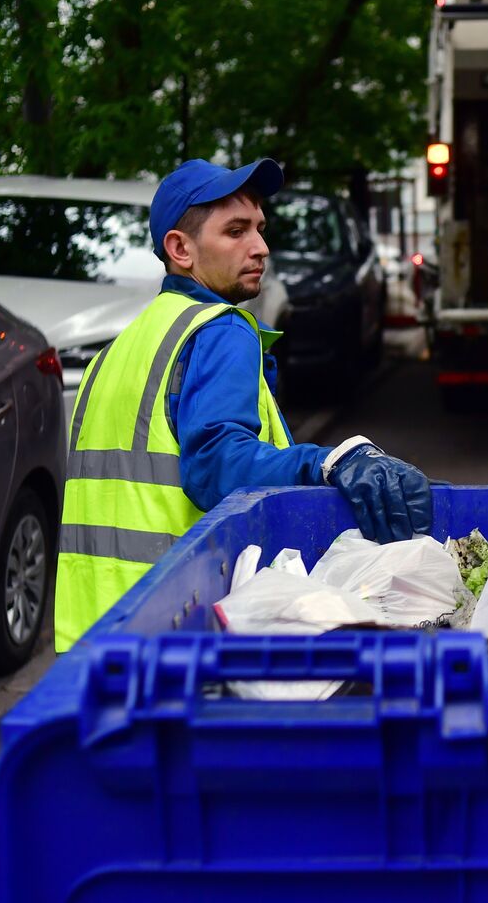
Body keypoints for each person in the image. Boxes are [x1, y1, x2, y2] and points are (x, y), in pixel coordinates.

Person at [54, 158, 432, 651]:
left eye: (259, 228)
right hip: (176, 627)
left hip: (92, 635)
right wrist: (328, 463)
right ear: (180, 249)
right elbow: (214, 464)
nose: (261, 247)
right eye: (235, 231)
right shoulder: (220, 328)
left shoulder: (118, 351)